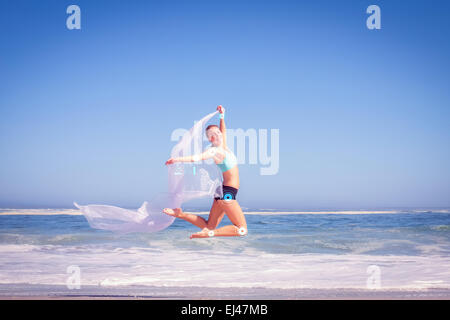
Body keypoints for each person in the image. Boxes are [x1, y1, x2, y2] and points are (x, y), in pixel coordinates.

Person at [163, 105, 247, 239]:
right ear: (211, 139)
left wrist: (222, 115)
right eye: (214, 134)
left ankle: (181, 215)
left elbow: (223, 131)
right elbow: (196, 158)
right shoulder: (214, 150)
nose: (218, 134)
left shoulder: (223, 146)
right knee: (242, 230)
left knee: (210, 225)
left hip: (222, 192)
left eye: (218, 132)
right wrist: (177, 159)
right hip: (227, 193)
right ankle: (209, 233)